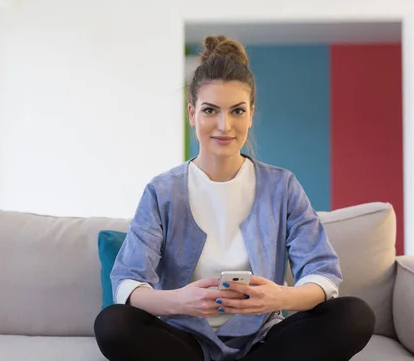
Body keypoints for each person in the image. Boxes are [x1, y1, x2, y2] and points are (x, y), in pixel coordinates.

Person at [93, 35, 375, 361]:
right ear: (191, 114)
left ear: (251, 114)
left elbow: (322, 274)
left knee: (355, 315)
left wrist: (279, 298)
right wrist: (180, 301)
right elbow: (128, 283)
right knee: (113, 324)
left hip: (263, 341)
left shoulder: (282, 187)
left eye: (237, 111)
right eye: (210, 110)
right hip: (185, 341)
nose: (224, 126)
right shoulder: (162, 191)